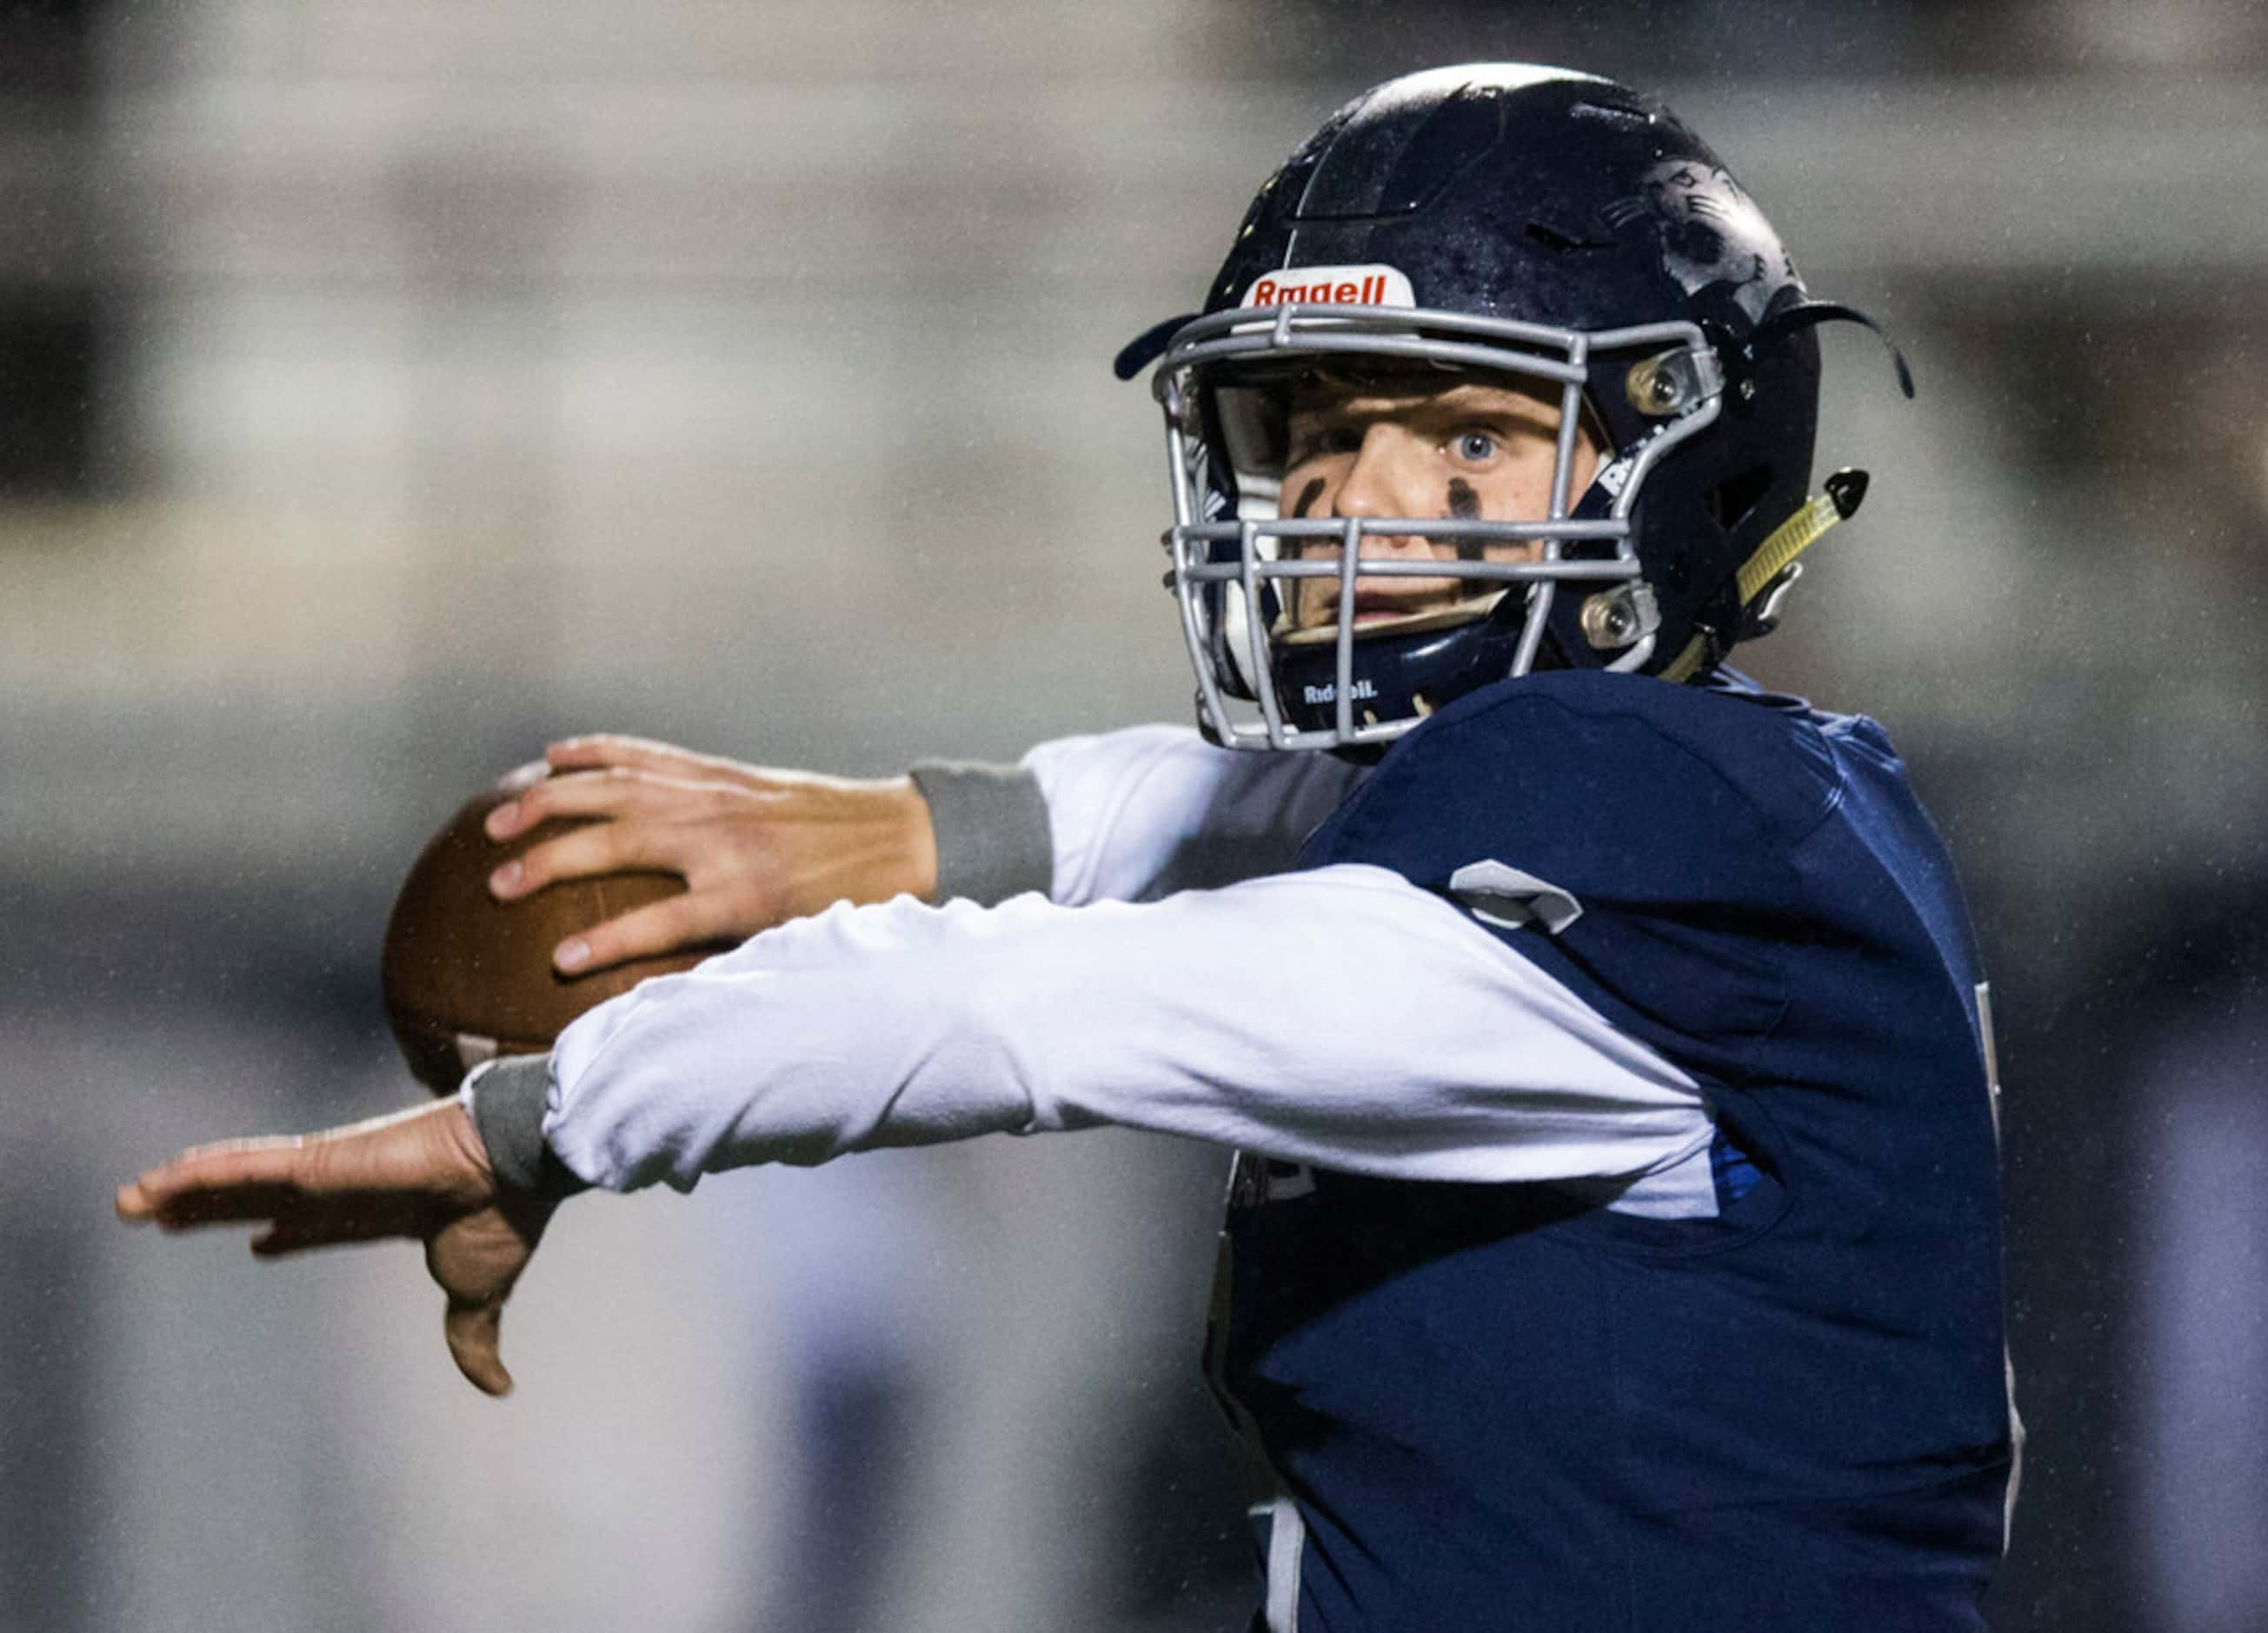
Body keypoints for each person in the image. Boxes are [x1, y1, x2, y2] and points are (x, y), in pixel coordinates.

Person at [116, 63, 2019, 1630]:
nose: (1360, 503)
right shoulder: (1727, 798)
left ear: (1686, 451)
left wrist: (552, 1119)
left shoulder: (1643, 839)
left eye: (1460, 436)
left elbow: (1056, 1011)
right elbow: (1263, 825)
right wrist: (911, 829)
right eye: (1313, 437)